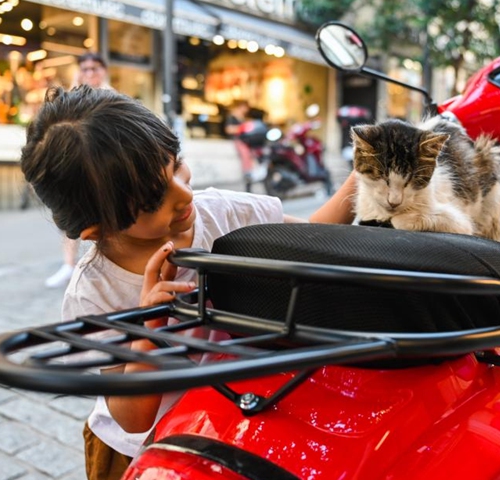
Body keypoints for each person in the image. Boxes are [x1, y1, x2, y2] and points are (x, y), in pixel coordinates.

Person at [20, 85, 306, 479]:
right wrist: (149, 321)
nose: (184, 193)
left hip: (226, 426)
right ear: (97, 228)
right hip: (142, 453)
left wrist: (365, 180)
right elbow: (133, 417)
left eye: (176, 166)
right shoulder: (95, 292)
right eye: (154, 200)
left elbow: (316, 240)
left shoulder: (221, 213)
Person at [45, 52, 112, 288]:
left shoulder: (112, 96)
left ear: (103, 70)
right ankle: (68, 264)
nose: (90, 73)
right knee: (70, 212)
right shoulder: (74, 95)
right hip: (77, 164)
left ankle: (101, 264)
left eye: (94, 68)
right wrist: (74, 86)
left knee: (103, 216)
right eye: (85, 69)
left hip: (103, 166)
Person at [224, 101, 257, 192]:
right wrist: (241, 128)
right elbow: (229, 129)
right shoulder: (232, 116)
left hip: (245, 140)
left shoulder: (242, 117)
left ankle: (251, 175)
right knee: (245, 154)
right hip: (238, 140)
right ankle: (247, 175)